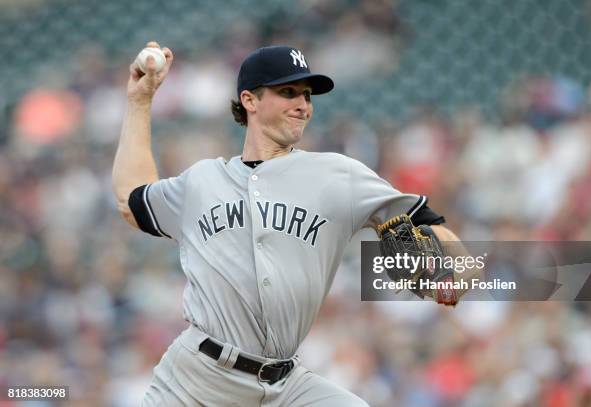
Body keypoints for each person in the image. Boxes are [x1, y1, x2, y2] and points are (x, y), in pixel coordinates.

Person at [112, 41, 463, 406]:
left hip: (286, 387)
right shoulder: (201, 181)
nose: (303, 105)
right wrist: (140, 101)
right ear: (249, 100)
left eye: (308, 96)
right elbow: (130, 199)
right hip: (196, 381)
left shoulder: (337, 175)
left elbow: (426, 223)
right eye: (288, 92)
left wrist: (454, 275)